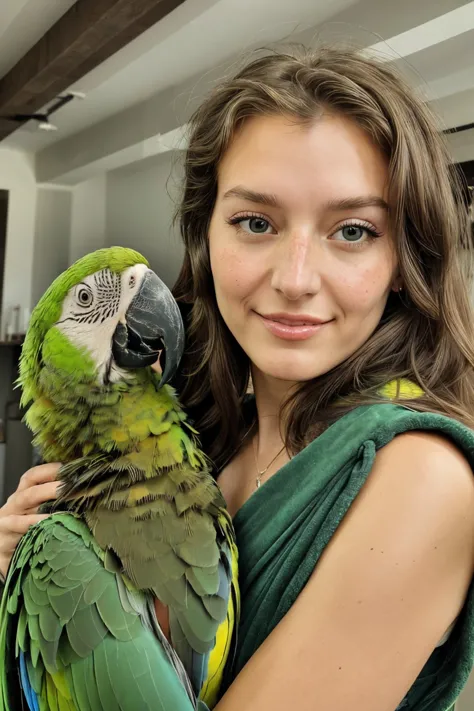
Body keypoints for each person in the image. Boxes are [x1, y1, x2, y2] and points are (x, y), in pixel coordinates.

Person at [1, 44, 474, 711]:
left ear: (405, 257)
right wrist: (37, 585)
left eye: (354, 230)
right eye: (256, 222)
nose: (295, 278)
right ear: (205, 239)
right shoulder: (204, 435)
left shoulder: (422, 475)